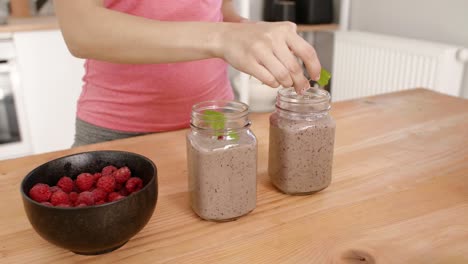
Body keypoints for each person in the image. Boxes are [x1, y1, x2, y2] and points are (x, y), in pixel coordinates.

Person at [53, 0, 322, 146]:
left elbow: (221, 13)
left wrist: (250, 33)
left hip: (217, 119)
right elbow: (80, 30)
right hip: (118, 130)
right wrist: (223, 37)